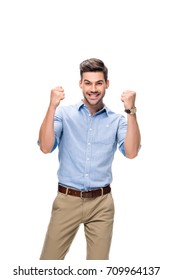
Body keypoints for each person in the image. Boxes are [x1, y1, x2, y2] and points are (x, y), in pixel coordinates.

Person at [38, 58, 141, 260]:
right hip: (67, 200)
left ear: (107, 84)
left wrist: (131, 111)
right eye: (88, 83)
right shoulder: (63, 114)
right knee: (47, 265)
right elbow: (45, 147)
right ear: (80, 84)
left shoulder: (117, 120)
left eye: (98, 83)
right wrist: (51, 106)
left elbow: (131, 152)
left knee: (97, 269)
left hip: (101, 204)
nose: (93, 89)